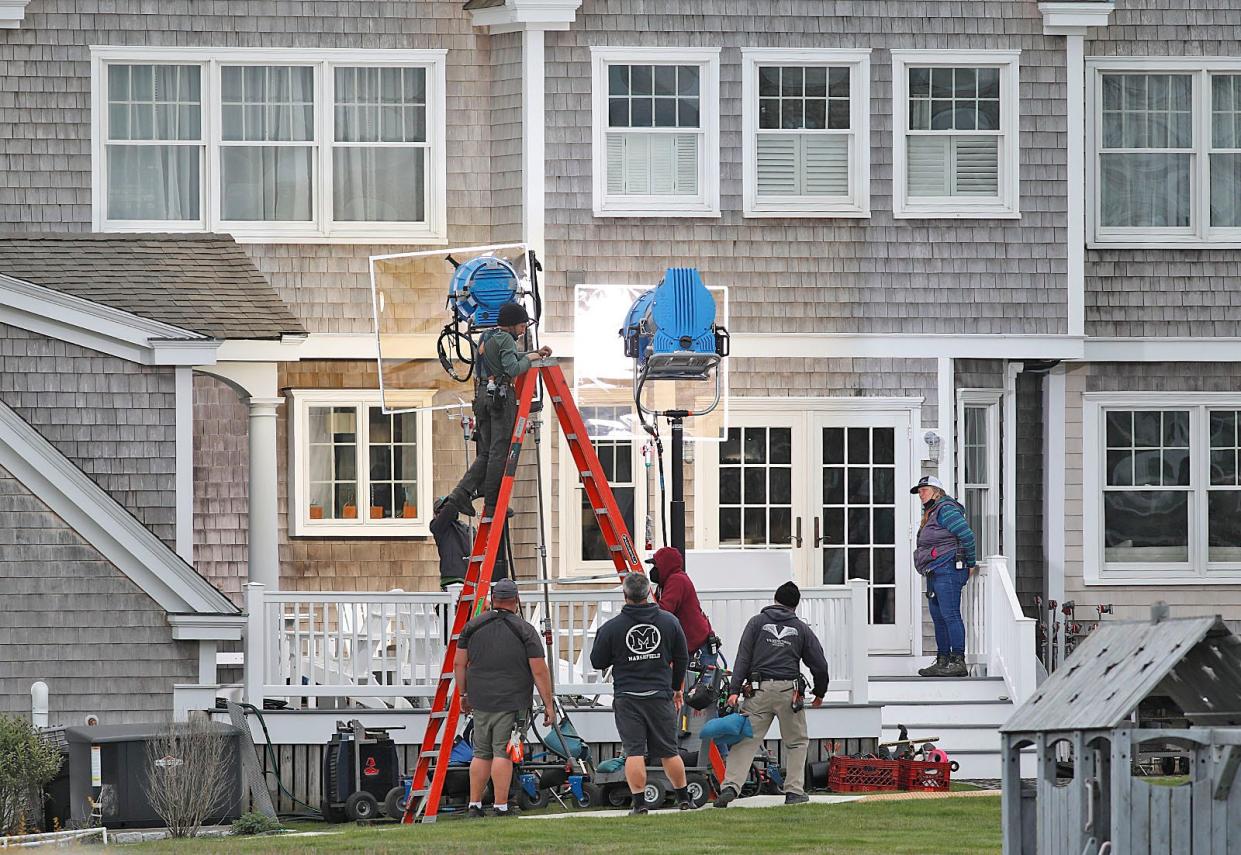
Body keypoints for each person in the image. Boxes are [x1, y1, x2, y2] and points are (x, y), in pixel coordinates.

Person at [713, 581, 829, 808]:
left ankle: (730, 787)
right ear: (795, 605)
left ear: (775, 599)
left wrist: (734, 690)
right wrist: (820, 692)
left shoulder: (756, 623)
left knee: (745, 740)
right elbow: (819, 664)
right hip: (789, 692)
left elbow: (743, 658)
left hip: (758, 691)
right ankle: (794, 791)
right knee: (796, 743)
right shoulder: (801, 629)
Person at [590, 572, 693, 814]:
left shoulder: (611, 628)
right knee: (669, 751)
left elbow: (597, 661)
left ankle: (639, 805)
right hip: (660, 694)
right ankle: (684, 799)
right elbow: (682, 657)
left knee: (634, 751)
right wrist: (676, 688)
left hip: (628, 697)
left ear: (625, 595)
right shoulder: (669, 622)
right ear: (649, 593)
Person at [455, 579, 556, 817]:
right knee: (503, 752)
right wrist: (548, 705)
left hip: (480, 700)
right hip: (512, 702)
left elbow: (460, 663)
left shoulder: (472, 627)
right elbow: (539, 670)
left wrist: (463, 693)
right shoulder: (524, 630)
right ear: (516, 600)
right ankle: (501, 805)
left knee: (481, 752)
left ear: (492, 598)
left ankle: (475, 805)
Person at [439, 303, 551, 519]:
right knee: (499, 453)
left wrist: (533, 353)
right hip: (500, 398)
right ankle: (492, 504)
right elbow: (512, 368)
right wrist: (529, 359)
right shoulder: (507, 339)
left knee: (488, 452)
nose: (523, 330)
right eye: (521, 325)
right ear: (511, 324)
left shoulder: (488, 336)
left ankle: (460, 494)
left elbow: (505, 356)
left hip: (482, 397)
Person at [911, 475, 978, 678]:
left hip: (948, 568)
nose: (920, 495)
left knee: (950, 615)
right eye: (919, 492)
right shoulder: (932, 513)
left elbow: (967, 536)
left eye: (924, 490)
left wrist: (971, 563)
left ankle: (957, 660)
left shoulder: (946, 509)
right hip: (934, 570)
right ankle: (942, 660)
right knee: (938, 617)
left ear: (936, 491)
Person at [649, 547, 716, 668]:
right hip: (692, 645)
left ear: (665, 565)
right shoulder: (664, 584)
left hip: (698, 648)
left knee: (700, 686)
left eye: (656, 566)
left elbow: (663, 610)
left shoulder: (677, 580)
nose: (653, 570)